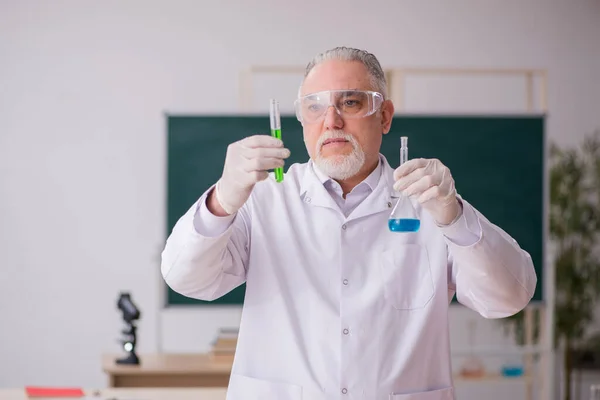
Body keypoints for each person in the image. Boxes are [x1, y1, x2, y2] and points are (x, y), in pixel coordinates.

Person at [161, 47, 537, 400]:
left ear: (385, 116)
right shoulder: (263, 198)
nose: (331, 121)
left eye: (351, 102)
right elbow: (187, 279)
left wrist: (454, 217)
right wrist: (222, 200)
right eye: (315, 107)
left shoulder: (430, 202)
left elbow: (509, 297)